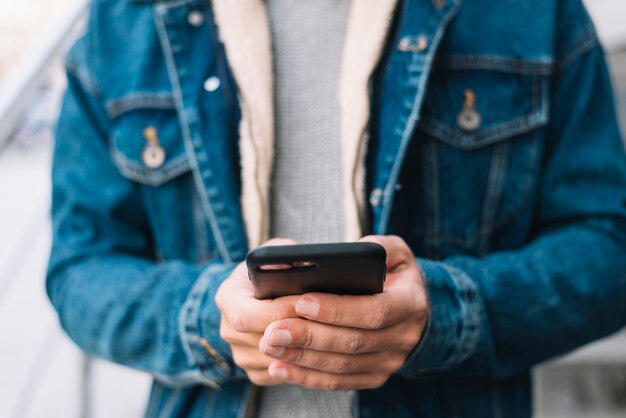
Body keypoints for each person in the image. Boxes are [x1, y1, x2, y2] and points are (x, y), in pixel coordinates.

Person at [47, 0, 626, 417]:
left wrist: (446, 312)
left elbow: (609, 248)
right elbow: (82, 270)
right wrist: (208, 321)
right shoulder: (121, 23)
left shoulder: (533, 11)